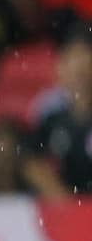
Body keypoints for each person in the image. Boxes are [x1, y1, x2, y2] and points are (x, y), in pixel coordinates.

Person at [29, 32, 92, 195]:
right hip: (64, 208)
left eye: (86, 68)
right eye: (75, 66)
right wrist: (63, 199)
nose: (82, 76)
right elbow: (30, 159)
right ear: (60, 69)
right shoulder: (49, 113)